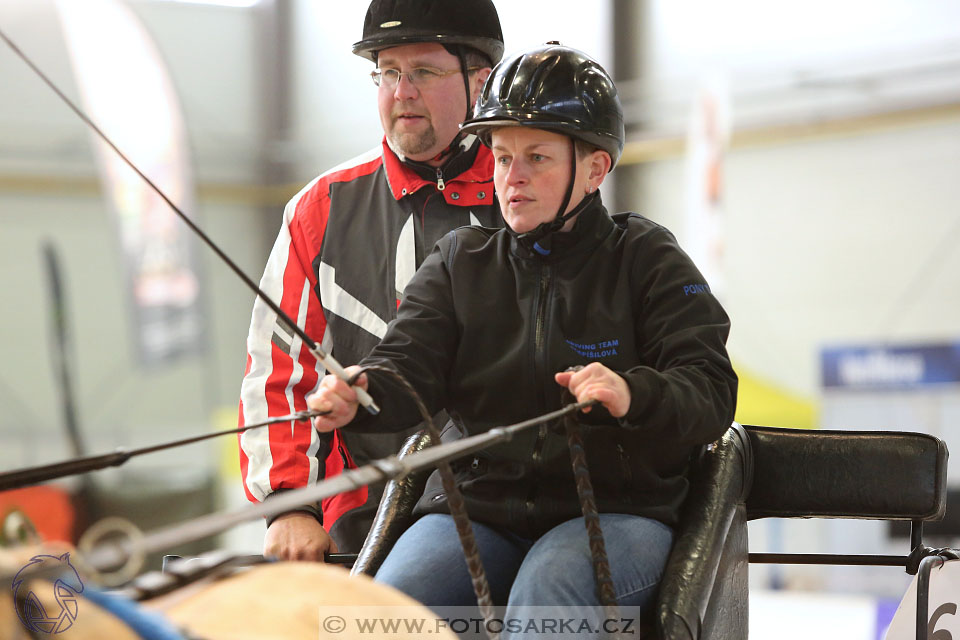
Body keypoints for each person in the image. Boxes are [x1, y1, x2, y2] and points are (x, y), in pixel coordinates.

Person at [307, 43, 738, 629]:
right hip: (475, 508)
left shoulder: (648, 258)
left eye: (537, 158)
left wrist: (634, 394)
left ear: (594, 168)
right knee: (392, 607)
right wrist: (359, 393)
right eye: (503, 158)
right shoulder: (461, 261)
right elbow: (408, 365)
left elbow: (710, 389)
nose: (513, 178)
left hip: (619, 513)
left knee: (549, 594)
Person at [237, 0, 505, 561]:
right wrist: (291, 504)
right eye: (387, 72)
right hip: (359, 516)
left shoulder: (528, 198)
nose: (401, 92)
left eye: (424, 72)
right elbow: (279, 374)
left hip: (509, 503)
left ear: (480, 81)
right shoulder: (320, 209)